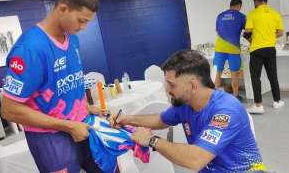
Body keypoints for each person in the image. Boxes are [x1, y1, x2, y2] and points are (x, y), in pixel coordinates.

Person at [1, 0, 103, 173]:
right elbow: (9, 110)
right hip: (50, 138)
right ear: (63, 9)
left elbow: (65, 83)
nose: (85, 27)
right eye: (82, 20)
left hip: (81, 125)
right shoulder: (30, 49)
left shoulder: (72, 38)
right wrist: (68, 126)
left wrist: (86, 106)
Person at [114, 50, 267, 172]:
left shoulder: (225, 111)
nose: (167, 90)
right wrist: (127, 119)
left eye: (172, 85)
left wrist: (152, 141)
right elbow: (160, 119)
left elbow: (195, 159)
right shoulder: (186, 104)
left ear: (193, 86)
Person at [243, 0, 285, 114]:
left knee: (255, 77)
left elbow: (247, 33)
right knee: (273, 76)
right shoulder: (275, 14)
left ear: (256, 1)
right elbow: (280, 32)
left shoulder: (252, 14)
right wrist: (270, 37)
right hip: (271, 49)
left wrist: (252, 40)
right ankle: (277, 101)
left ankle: (258, 105)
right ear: (266, 0)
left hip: (257, 50)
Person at [214, 0, 246, 101]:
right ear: (239, 6)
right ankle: (235, 95)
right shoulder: (241, 16)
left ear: (230, 5)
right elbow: (248, 31)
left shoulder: (220, 16)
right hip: (233, 49)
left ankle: (215, 97)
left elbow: (217, 31)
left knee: (218, 72)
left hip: (219, 48)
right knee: (234, 73)